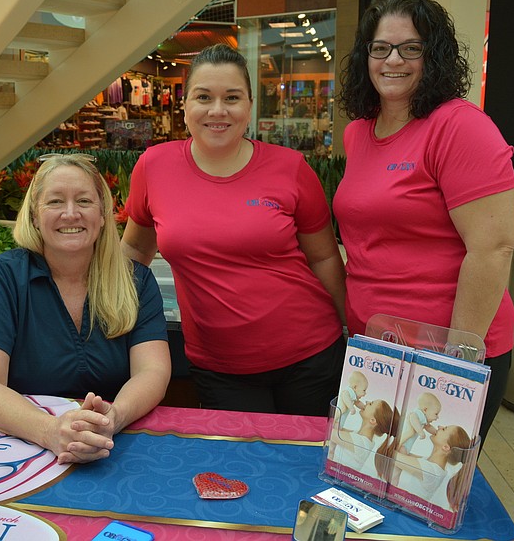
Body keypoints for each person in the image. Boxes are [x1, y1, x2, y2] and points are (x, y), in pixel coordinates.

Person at [333, 0, 514, 447]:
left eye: (410, 48)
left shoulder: (458, 126)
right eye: (380, 48)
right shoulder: (359, 132)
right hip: (375, 348)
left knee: (425, 487)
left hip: (447, 353)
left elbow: (493, 246)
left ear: (432, 56)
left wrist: (458, 361)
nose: (392, 59)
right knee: (367, 471)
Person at [121, 44, 346, 416]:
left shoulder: (291, 168)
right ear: (185, 104)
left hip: (311, 356)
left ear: (250, 104)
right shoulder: (153, 167)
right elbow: (134, 253)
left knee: (307, 470)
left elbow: (323, 257)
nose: (218, 110)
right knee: (239, 471)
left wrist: (351, 329)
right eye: (203, 97)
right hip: (219, 367)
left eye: (232, 97)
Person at [0, 154, 171, 464]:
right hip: (20, 446)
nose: (71, 214)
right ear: (34, 216)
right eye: (55, 202)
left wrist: (115, 418)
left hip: (115, 446)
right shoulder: (2, 276)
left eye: (84, 201)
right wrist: (49, 431)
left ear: (103, 214)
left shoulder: (137, 279)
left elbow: (153, 371)